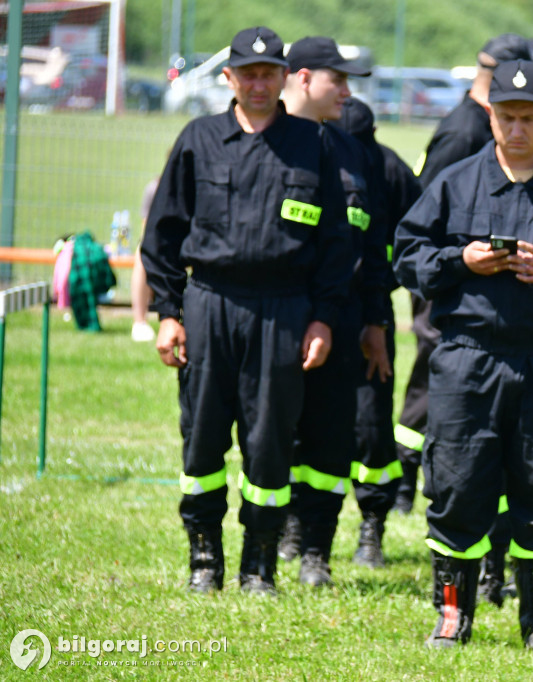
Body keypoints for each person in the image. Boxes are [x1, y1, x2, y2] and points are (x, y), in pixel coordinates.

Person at [393, 59, 533, 652]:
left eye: (528, 117)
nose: (517, 129)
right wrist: (458, 261)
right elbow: (406, 259)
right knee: (457, 484)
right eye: (506, 116)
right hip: (468, 359)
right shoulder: (455, 181)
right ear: (490, 114)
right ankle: (451, 615)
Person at [140, 27, 353, 594]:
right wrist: (168, 311)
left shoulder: (314, 145)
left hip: (285, 310)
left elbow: (336, 246)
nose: (259, 83)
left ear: (285, 77)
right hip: (210, 303)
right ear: (229, 78)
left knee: (270, 440)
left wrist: (323, 318)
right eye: (248, 73)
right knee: (203, 438)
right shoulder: (198, 139)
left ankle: (259, 564)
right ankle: (203, 560)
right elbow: (162, 234)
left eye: (269, 72)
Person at [393, 33, 533, 517]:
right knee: (432, 379)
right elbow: (428, 220)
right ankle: (405, 476)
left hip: (474, 280)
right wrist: (457, 264)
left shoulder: (480, 123)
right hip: (450, 281)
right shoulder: (466, 132)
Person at [277, 36, 382, 586]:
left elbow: (368, 243)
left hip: (337, 315)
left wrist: (375, 321)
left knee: (329, 436)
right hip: (274, 312)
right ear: (299, 77)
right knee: (273, 432)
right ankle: (280, 533)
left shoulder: (352, 150)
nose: (346, 90)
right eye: (335, 79)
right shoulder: (267, 140)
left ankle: (316, 547)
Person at [334, 96, 423, 567]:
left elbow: (422, 232)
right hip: (313, 310)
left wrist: (388, 291)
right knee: (304, 424)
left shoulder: (388, 168)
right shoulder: (315, 155)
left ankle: (373, 528)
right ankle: (299, 529)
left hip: (371, 310)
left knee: (371, 425)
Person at [130, 177, 159, 342]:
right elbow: (146, 228)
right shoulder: (154, 188)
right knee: (142, 255)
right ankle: (139, 322)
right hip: (165, 243)